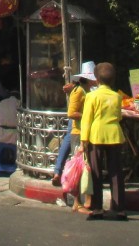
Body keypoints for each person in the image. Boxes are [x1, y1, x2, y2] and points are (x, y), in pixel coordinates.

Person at [79, 62, 127, 221]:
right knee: (116, 172)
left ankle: (97, 208)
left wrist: (83, 141)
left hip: (96, 135)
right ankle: (119, 209)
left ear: (96, 79)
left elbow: (86, 119)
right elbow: (119, 117)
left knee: (96, 172)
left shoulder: (92, 96)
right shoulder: (117, 96)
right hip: (114, 134)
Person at [51, 61, 96, 192]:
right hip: (79, 129)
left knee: (80, 160)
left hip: (83, 129)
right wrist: (86, 115)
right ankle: (73, 188)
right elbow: (71, 113)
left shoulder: (84, 90)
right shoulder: (79, 91)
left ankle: (61, 174)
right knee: (78, 162)